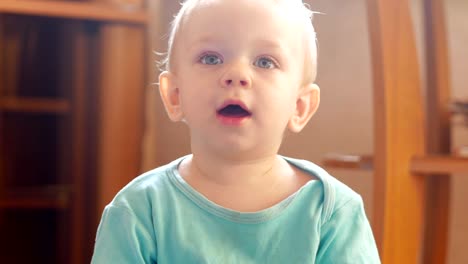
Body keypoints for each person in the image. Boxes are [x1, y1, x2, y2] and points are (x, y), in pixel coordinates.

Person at [91, 0, 380, 263]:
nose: (237, 74)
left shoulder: (331, 212)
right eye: (211, 58)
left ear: (299, 106)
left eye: (265, 62)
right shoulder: (139, 211)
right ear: (175, 95)